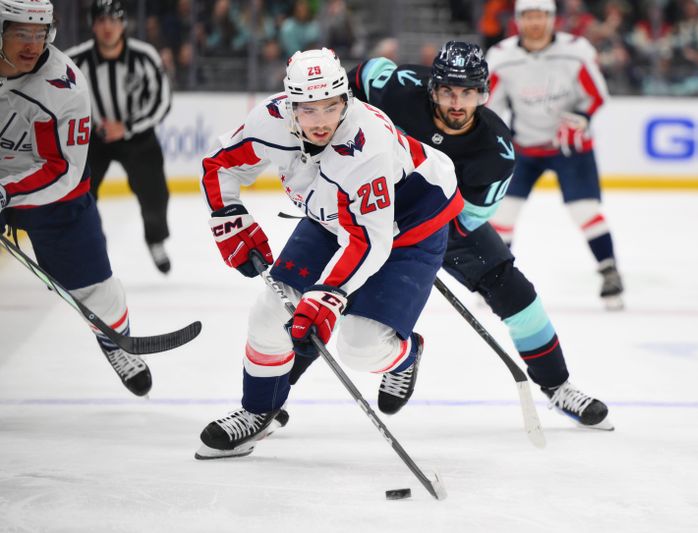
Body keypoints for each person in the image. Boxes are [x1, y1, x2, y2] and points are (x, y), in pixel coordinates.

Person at [323, 41, 610, 430]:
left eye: (468, 93)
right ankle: (272, 400)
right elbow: (358, 79)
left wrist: (411, 238)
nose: (457, 103)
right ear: (432, 88)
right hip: (370, 207)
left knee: (518, 296)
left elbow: (468, 218)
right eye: (447, 92)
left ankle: (558, 386)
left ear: (483, 93)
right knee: (321, 296)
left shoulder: (497, 149)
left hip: (445, 222)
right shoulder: (400, 87)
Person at [195, 48, 463, 459]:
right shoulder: (269, 119)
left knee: (361, 347)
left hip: (410, 221)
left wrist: (327, 296)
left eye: (331, 106)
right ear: (290, 104)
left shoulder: (366, 141)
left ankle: (405, 357)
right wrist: (229, 216)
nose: (321, 121)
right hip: (335, 216)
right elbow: (220, 166)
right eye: (308, 109)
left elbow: (370, 241)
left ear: (346, 99)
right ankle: (257, 411)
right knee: (271, 311)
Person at [0, 0, 151, 396]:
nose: (32, 44)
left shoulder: (63, 86)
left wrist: (4, 194)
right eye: (20, 33)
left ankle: (115, 342)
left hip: (53, 198)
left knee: (94, 286)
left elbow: (62, 173)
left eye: (40, 33)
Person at [486, 0, 625, 310]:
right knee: (503, 214)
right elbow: (489, 106)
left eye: (542, 16)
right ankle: (494, 279)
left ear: (552, 19)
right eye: (529, 16)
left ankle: (609, 272)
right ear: (519, 20)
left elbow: (596, 96)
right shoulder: (501, 57)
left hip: (571, 147)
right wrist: (496, 140)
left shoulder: (576, 51)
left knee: (585, 211)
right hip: (524, 146)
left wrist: (581, 117)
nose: (536, 23)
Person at [65, 0, 173, 274]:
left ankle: (155, 240)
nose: (108, 27)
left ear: (123, 24)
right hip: (93, 139)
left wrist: (127, 127)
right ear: (93, 25)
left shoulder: (144, 56)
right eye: (101, 20)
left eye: (114, 20)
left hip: (136, 136)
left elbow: (161, 101)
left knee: (155, 194)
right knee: (81, 195)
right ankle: (89, 246)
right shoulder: (75, 61)